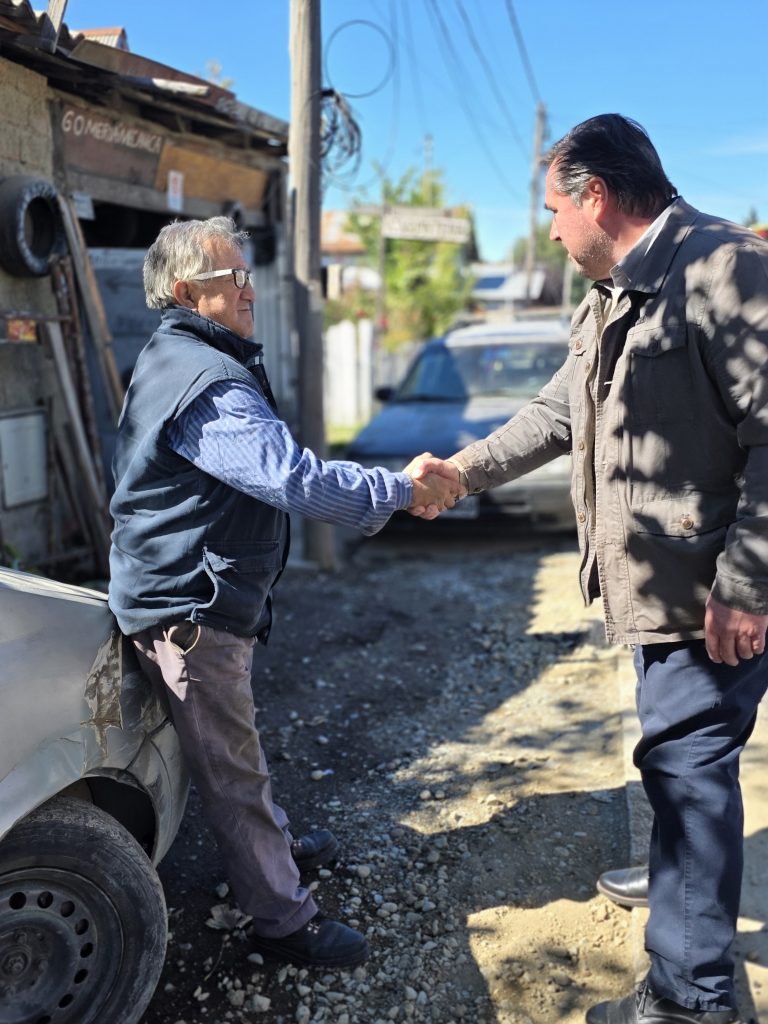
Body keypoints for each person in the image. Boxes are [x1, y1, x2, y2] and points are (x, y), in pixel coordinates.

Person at [412, 114, 768, 1023]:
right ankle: (680, 895)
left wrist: (746, 584)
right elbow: (555, 414)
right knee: (675, 768)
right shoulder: (612, 295)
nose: (551, 232)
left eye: (552, 212)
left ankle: (692, 998)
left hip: (709, 596)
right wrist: (461, 473)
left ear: (596, 197)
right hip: (660, 591)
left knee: (689, 778)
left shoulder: (725, 269)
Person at [108, 216, 459, 969]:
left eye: (247, 274)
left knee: (233, 746)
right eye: (233, 278)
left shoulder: (182, 355)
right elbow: (291, 479)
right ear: (186, 293)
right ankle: (282, 918)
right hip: (189, 608)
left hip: (189, 594)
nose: (249, 290)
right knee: (230, 769)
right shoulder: (206, 383)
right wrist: (401, 489)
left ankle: (275, 848)